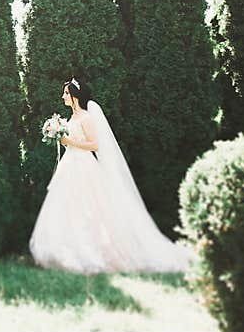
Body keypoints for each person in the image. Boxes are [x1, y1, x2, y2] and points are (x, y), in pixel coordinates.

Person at [29, 78, 193, 274]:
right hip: (70, 164)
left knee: (88, 207)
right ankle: (65, 249)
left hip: (84, 165)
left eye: (66, 93)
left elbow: (94, 145)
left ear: (74, 96)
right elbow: (72, 142)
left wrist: (69, 140)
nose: (63, 97)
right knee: (68, 205)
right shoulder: (71, 119)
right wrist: (61, 139)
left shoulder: (86, 118)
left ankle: (91, 251)